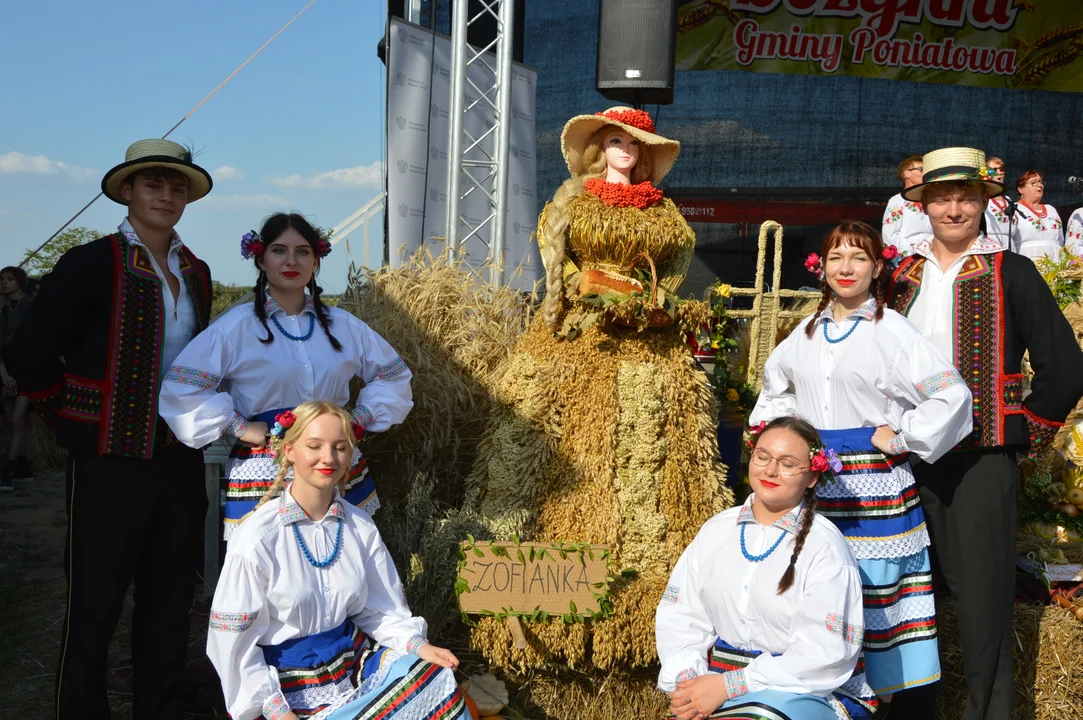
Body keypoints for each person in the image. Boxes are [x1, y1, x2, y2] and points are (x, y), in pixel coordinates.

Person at [466, 107, 731, 675]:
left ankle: (649, 628)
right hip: (576, 346)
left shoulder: (666, 214)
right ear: (599, 148)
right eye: (615, 141)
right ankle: (531, 624)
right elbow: (554, 260)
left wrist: (660, 306)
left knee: (647, 465)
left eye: (635, 143)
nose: (625, 151)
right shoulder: (571, 200)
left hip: (648, 352)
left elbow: (679, 265)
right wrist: (581, 290)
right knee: (555, 460)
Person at [4, 139, 214, 719]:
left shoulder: (196, 271)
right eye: (153, 184)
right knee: (95, 603)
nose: (166, 196)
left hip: (179, 458)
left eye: (176, 188)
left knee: (170, 596)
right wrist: (73, 418)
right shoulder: (90, 263)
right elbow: (30, 355)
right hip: (107, 463)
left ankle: (160, 706)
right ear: (127, 191)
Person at [888, 147, 1083, 720]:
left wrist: (1023, 441)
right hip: (904, 459)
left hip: (981, 457)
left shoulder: (1010, 271)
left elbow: (1065, 367)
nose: (953, 209)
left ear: (984, 203)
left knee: (982, 603)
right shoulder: (902, 277)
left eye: (965, 198)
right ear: (922, 205)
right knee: (905, 596)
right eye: (941, 198)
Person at [750, 220, 971, 711]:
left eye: (858, 257)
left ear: (877, 268)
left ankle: (888, 702)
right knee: (816, 590)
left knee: (876, 595)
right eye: (835, 257)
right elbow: (773, 392)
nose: (845, 267)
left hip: (875, 492)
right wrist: (779, 439)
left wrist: (903, 435)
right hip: (813, 488)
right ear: (820, 268)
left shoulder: (892, 331)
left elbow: (951, 394)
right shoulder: (804, 334)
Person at [206, 401, 468, 720]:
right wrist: (277, 712)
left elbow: (380, 610)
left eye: (340, 448)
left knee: (435, 681)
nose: (328, 458)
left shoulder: (359, 527)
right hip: (285, 678)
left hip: (352, 661)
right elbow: (232, 643)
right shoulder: (258, 536)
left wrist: (418, 646)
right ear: (289, 451)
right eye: (314, 446)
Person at [159, 212, 412, 539]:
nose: (291, 260)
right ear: (261, 259)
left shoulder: (343, 326)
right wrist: (238, 426)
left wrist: (356, 419)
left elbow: (393, 377)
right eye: (279, 250)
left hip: (332, 463)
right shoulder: (236, 327)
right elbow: (182, 387)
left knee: (338, 563)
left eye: (303, 251)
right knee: (267, 571)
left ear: (315, 260)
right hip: (266, 466)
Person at [656, 417, 876, 720]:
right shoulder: (717, 530)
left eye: (788, 463)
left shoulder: (825, 547)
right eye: (763, 457)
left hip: (801, 690)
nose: (770, 470)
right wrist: (688, 682)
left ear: (812, 476)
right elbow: (682, 614)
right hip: (713, 684)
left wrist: (729, 686)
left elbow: (824, 652)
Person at [0, 265, 35, 490]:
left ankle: (9, 470)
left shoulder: (31, 306)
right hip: (4, 369)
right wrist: (3, 373)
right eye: (2, 279)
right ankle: (22, 468)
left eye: (9, 279)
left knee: (17, 420)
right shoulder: (3, 311)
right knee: (10, 420)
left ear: (20, 283)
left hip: (27, 369)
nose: (4, 282)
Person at [882, 154, 933, 256]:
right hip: (910, 255)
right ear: (906, 173)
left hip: (933, 252)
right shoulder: (897, 200)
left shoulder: (932, 200)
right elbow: (890, 235)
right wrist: (909, 253)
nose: (925, 173)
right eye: (921, 169)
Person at [1011, 170, 1065, 261]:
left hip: (1055, 261)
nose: (1039, 185)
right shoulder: (1015, 209)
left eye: (1040, 182)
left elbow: (1060, 239)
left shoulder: (1051, 209)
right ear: (1021, 189)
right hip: (1028, 260)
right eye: (1033, 183)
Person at [983, 156, 1013, 247]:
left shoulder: (1008, 200)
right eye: (994, 170)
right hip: (989, 242)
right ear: (987, 173)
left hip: (1009, 244)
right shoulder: (983, 198)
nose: (999, 173)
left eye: (1001, 169)